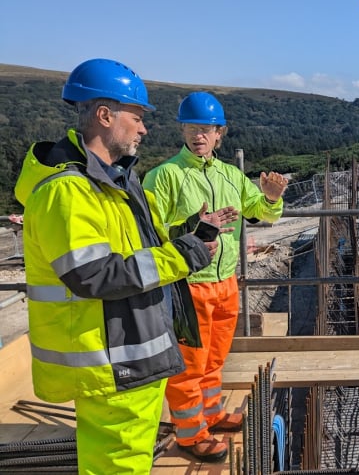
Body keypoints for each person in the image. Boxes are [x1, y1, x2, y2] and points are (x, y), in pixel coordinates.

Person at [13, 58, 219, 474]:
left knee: (128, 462)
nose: (144, 129)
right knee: (119, 466)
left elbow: (139, 247)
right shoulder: (69, 191)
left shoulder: (115, 182)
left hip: (129, 353)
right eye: (137, 116)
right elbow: (95, 274)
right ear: (105, 116)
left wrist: (191, 233)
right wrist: (187, 254)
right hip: (111, 362)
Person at [143, 91, 288, 463]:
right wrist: (196, 227)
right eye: (191, 128)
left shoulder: (231, 176)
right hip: (187, 284)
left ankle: (210, 415)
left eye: (206, 129)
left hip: (225, 283)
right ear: (182, 130)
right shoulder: (164, 177)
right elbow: (151, 231)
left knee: (214, 359)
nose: (198, 136)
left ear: (219, 133)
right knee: (189, 363)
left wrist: (270, 198)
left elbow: (261, 212)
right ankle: (191, 435)